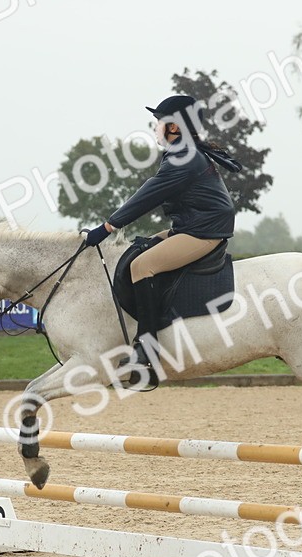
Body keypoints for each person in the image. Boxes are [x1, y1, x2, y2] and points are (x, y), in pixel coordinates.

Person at [83, 94, 242, 389]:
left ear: (176, 127)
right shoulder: (185, 152)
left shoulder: (185, 157)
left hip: (204, 231)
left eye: (161, 122)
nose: (156, 127)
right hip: (192, 226)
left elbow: (148, 195)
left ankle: (146, 353)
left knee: (142, 266)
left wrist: (106, 228)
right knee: (140, 248)